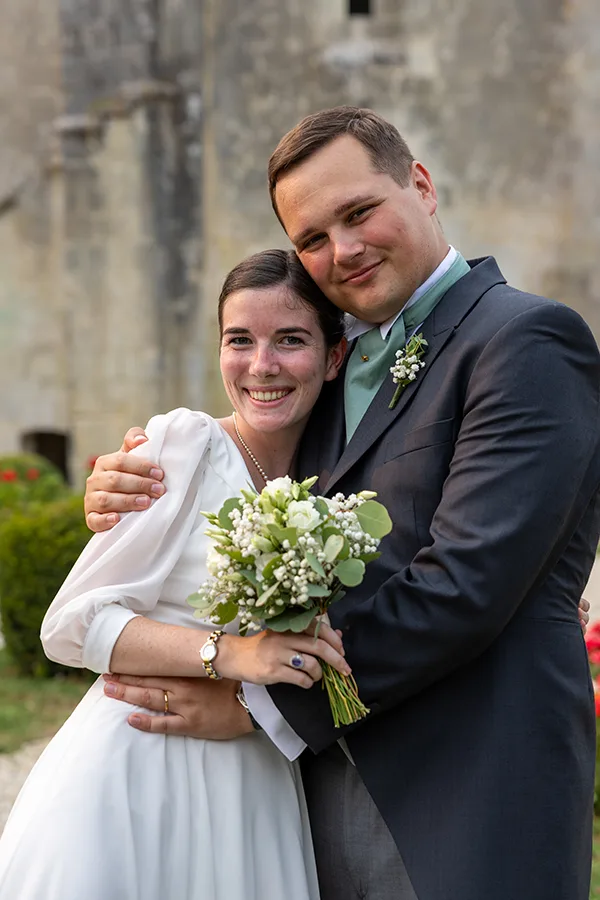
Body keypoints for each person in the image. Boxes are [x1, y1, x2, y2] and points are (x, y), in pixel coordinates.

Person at [85, 107, 600, 900]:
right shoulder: (335, 367)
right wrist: (140, 474)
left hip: (471, 789)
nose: (343, 251)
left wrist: (261, 708)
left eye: (359, 213)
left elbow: (468, 582)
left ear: (420, 186)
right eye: (312, 239)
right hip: (316, 801)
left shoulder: (525, 341)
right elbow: (250, 474)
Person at [0, 249, 353, 900]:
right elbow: (75, 624)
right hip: (139, 773)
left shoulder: (337, 485)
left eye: (291, 340)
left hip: (256, 784)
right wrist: (232, 654)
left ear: (334, 358)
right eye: (239, 340)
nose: (261, 365)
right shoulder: (182, 446)